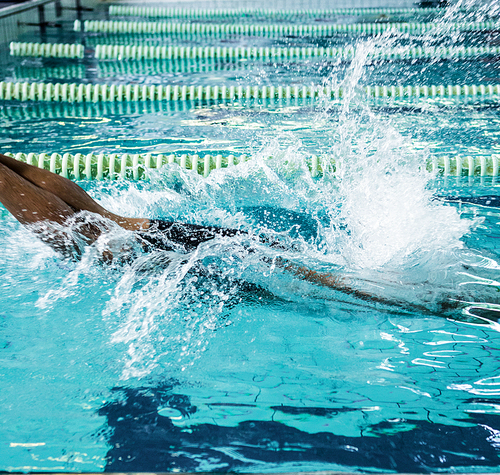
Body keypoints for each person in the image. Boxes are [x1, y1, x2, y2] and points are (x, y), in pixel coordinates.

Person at [0, 154, 457, 311]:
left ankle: (402, 296)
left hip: (160, 242)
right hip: (162, 233)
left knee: (305, 280)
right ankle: (401, 294)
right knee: (295, 266)